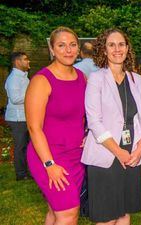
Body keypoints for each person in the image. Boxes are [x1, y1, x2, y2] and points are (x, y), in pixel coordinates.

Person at [81, 28, 141, 225]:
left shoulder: (137, 79)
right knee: (106, 218)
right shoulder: (97, 78)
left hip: (132, 154)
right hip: (106, 154)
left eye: (121, 44)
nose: (117, 49)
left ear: (127, 48)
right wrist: (118, 151)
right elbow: (94, 121)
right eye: (111, 45)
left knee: (125, 213)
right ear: (104, 49)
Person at [25, 26, 86, 225]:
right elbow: (34, 128)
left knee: (56, 211)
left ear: (78, 48)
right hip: (49, 156)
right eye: (61, 45)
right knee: (68, 214)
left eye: (72, 45)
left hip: (76, 157)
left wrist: (86, 133)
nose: (68, 50)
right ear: (52, 49)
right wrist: (49, 164)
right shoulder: (41, 80)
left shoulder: (82, 78)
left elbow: (82, 117)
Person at [5, 51, 31, 181]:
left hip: (25, 117)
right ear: (17, 62)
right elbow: (15, 99)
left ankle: (28, 170)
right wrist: (33, 95)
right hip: (17, 118)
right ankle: (21, 174)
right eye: (25, 59)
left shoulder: (23, 77)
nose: (28, 62)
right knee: (20, 146)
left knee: (28, 146)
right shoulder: (14, 78)